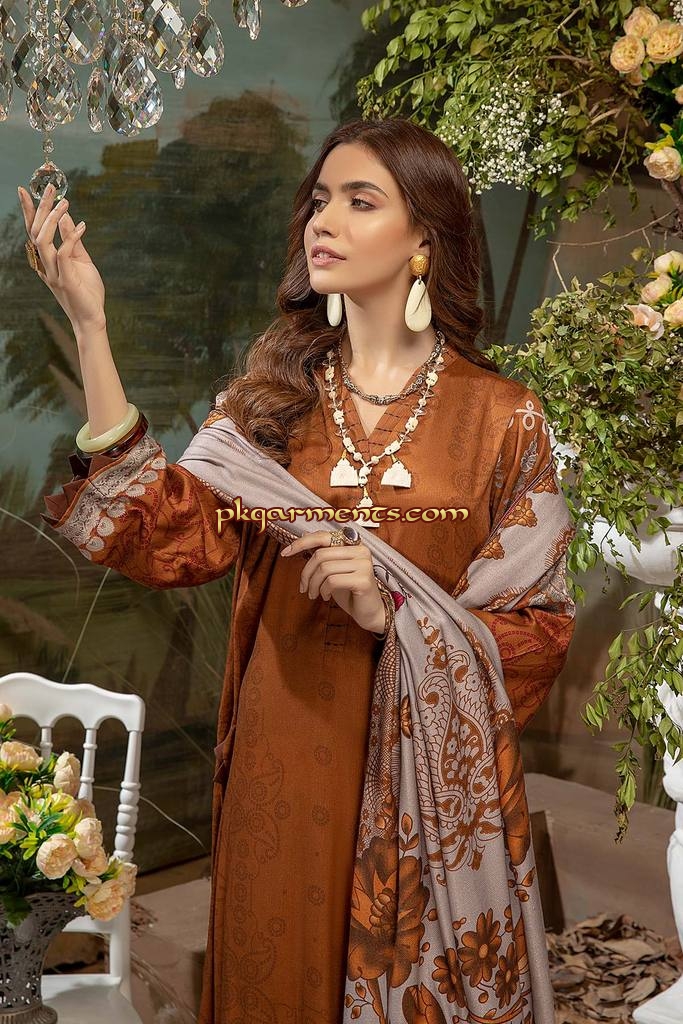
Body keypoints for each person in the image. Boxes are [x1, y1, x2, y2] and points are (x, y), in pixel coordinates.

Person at [20, 117, 577, 1024]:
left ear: (424, 238)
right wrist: (91, 322)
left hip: (423, 784)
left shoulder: (502, 419)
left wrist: (393, 614)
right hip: (282, 755)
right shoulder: (269, 403)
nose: (325, 219)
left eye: (360, 201)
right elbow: (171, 534)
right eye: (320, 200)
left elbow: (538, 634)